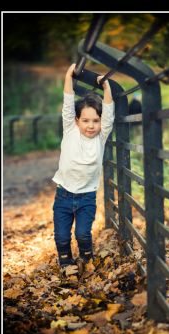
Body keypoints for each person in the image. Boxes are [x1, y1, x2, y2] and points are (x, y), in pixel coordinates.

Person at [52, 63, 114, 276]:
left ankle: (86, 258)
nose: (90, 125)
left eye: (95, 121)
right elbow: (68, 104)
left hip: (87, 196)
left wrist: (106, 88)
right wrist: (69, 76)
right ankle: (65, 262)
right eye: (85, 120)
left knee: (83, 234)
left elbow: (109, 115)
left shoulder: (101, 137)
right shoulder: (70, 130)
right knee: (61, 236)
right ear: (77, 121)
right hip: (64, 194)